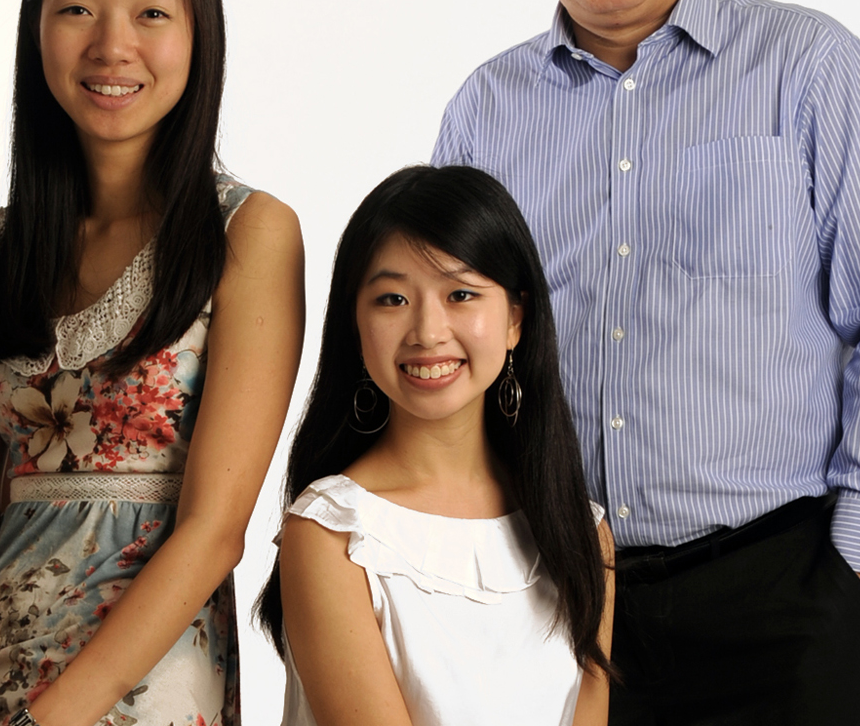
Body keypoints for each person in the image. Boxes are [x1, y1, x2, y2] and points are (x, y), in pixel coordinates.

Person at [431, 0, 860, 724]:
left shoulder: (809, 70)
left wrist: (855, 569)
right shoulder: (485, 114)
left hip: (781, 594)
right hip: (555, 603)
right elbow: (448, 347)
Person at [0, 0, 304, 726]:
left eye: (151, 14)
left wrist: (57, 716)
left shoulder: (251, 235)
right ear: (37, 28)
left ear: (198, 37)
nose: (113, 45)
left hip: (141, 680)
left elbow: (215, 532)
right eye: (78, 8)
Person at [257, 164, 614, 726]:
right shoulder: (333, 534)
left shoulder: (582, 534)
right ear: (355, 322)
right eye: (392, 300)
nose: (427, 331)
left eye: (461, 294)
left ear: (516, 318)